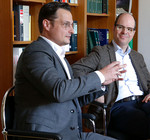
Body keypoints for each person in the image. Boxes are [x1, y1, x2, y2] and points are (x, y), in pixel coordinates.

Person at [13, 2, 125, 140]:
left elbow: (72, 98)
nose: (72, 30)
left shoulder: (59, 56)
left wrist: (102, 83)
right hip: (46, 135)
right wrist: (100, 75)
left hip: (69, 133)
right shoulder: (35, 52)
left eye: (72, 25)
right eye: (66, 25)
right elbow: (59, 91)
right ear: (47, 25)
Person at [72, 13, 150, 140]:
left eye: (129, 29)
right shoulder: (101, 52)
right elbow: (75, 70)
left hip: (142, 101)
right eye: (121, 27)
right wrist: (98, 88)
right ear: (114, 28)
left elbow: (149, 82)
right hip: (118, 106)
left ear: (133, 33)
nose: (125, 31)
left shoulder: (138, 57)